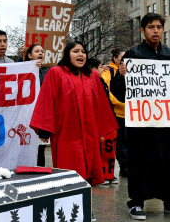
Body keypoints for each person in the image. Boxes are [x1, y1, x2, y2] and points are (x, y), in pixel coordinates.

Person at [110, 13, 170, 220]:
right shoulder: (133, 54)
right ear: (142, 30)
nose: (155, 31)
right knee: (140, 161)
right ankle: (137, 203)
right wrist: (121, 77)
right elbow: (120, 92)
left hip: (167, 123)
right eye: (151, 27)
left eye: (159, 27)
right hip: (143, 124)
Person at [30, 40, 118, 187]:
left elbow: (101, 105)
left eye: (83, 52)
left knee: (89, 173)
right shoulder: (56, 73)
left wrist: (101, 130)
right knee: (70, 173)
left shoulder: (93, 76)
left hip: (90, 134)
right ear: (67, 54)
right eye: (75, 51)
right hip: (66, 134)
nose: (80, 54)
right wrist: (45, 130)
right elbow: (46, 100)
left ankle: (84, 207)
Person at [89, 58, 119, 185]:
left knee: (108, 150)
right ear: (93, 69)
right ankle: (100, 175)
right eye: (101, 67)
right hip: (99, 120)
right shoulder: (91, 82)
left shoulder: (101, 81)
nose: (104, 69)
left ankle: (108, 174)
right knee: (100, 150)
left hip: (107, 120)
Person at [100, 48, 128, 178]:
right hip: (118, 112)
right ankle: (125, 167)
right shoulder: (109, 71)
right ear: (115, 59)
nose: (124, 61)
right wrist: (119, 102)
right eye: (122, 58)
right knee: (121, 142)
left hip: (131, 114)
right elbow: (106, 90)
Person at [24, 44, 48, 166]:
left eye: (42, 51)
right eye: (37, 51)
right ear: (29, 55)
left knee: (40, 150)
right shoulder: (23, 71)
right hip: (25, 116)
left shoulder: (47, 72)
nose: (40, 53)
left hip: (40, 116)